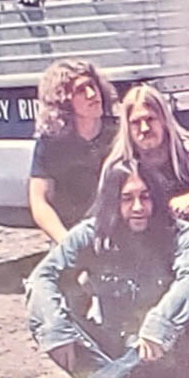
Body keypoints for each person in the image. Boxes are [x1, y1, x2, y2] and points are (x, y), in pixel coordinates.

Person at [23, 159, 189, 378]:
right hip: (111, 344)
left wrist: (160, 324)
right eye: (126, 199)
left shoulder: (180, 234)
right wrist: (56, 329)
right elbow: (41, 277)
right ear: (112, 201)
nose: (138, 207)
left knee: (178, 322)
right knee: (46, 313)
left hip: (160, 348)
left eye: (145, 197)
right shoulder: (92, 233)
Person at [106, 83, 189, 353]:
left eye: (150, 120)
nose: (144, 129)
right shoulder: (118, 166)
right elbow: (106, 213)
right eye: (136, 122)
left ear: (164, 119)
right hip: (142, 244)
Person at [26, 60, 121, 247]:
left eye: (93, 86)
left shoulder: (119, 132)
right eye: (81, 90)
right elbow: (39, 201)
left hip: (118, 233)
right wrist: (67, 241)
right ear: (64, 101)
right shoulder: (51, 144)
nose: (92, 95)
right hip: (74, 235)